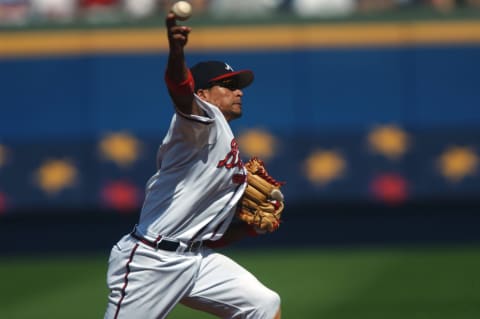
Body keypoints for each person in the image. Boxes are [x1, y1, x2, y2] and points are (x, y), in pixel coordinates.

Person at [103, 11, 282, 319]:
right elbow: (179, 88)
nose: (238, 91)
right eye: (226, 84)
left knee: (264, 304)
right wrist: (176, 52)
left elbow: (212, 234)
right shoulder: (200, 122)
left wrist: (249, 228)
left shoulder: (226, 146)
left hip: (196, 258)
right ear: (203, 95)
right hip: (151, 261)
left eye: (237, 85)